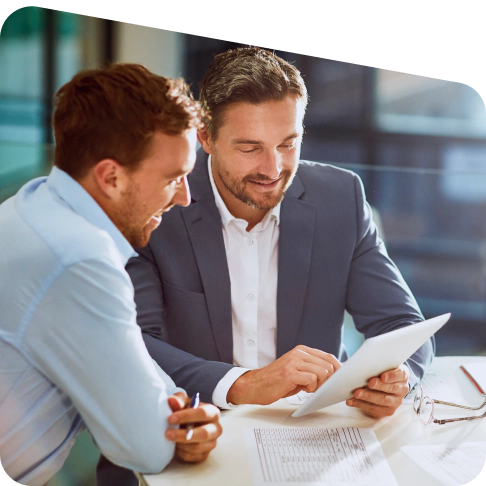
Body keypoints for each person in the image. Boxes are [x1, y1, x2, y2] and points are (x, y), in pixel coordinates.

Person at [97, 47, 435, 483]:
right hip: (192, 440)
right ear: (205, 137)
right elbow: (133, 345)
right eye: (250, 148)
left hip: (314, 446)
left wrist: (396, 377)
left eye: (288, 143)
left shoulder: (341, 197)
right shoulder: (158, 205)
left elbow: (401, 322)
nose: (273, 168)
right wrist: (241, 384)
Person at [0, 63, 223, 486]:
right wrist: (177, 423)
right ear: (111, 177)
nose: (185, 197)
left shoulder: (33, 205)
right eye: (173, 178)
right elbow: (149, 448)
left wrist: (175, 412)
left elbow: (141, 375)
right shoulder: (78, 259)